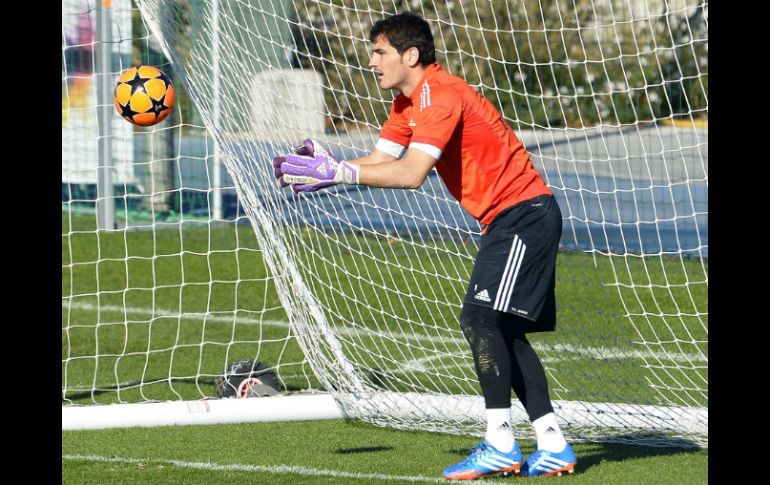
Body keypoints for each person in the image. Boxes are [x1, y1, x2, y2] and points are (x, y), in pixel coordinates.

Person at [272, 11, 576, 480]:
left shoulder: (440, 94)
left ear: (410, 55)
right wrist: (329, 168)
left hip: (524, 214)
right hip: (508, 219)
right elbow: (379, 160)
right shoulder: (404, 104)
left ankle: (500, 443)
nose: (371, 61)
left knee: (478, 318)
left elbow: (412, 175)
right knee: (503, 331)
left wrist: (336, 173)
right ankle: (553, 445)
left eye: (380, 52)